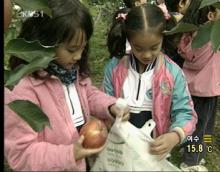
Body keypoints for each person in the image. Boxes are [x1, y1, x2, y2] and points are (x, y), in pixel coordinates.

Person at [4, 0, 129, 171]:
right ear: (44, 42)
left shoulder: (69, 70)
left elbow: (87, 93)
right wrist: (70, 154)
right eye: (72, 49)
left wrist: (110, 106)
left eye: (83, 48)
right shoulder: (20, 91)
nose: (78, 56)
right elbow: (22, 155)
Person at [103, 4, 197, 161]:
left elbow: (186, 112)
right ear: (129, 40)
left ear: (163, 38)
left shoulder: (172, 74)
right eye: (138, 48)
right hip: (120, 149)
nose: (146, 55)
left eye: (154, 47)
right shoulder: (114, 68)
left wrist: (175, 135)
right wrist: (110, 111)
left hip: (154, 152)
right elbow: (103, 101)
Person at [176, 0, 220, 171]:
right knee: (204, 127)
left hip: (190, 87)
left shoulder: (190, 35)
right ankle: (192, 161)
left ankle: (188, 147)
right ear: (211, 16)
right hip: (207, 91)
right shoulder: (214, 37)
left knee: (190, 122)